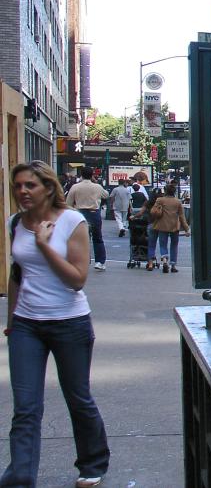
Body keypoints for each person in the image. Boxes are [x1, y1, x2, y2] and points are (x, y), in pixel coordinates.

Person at [2, 161, 109, 487]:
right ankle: (20, 476)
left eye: (29, 185)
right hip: (26, 326)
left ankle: (93, 464)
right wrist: (10, 322)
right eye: (18, 185)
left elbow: (77, 280)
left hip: (69, 323)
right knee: (26, 406)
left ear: (48, 188)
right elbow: (18, 273)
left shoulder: (72, 222)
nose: (22, 191)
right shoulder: (15, 223)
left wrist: (45, 247)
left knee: (77, 397)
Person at [65, 167, 110, 271]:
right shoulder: (97, 187)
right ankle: (100, 262)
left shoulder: (75, 187)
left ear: (81, 175)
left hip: (80, 213)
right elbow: (106, 195)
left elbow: (68, 203)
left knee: (81, 239)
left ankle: (84, 260)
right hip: (94, 213)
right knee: (97, 238)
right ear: (92, 175)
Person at [147, 184, 189, 273]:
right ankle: (173, 265)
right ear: (174, 192)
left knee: (163, 244)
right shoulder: (178, 202)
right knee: (174, 245)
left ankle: (165, 259)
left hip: (162, 225)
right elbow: (182, 216)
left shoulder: (160, 200)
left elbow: (153, 211)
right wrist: (186, 228)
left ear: (165, 191)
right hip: (174, 226)